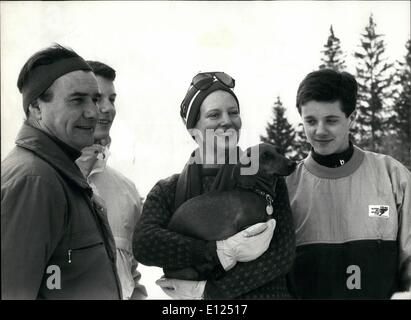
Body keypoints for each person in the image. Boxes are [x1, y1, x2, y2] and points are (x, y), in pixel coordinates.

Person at [133, 71, 295, 299]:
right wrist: (216, 251)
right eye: (213, 115)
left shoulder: (266, 180)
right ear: (192, 127)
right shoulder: (168, 190)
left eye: (233, 113)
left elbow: (281, 255)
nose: (227, 121)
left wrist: (209, 292)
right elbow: (146, 245)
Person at [1, 45, 122, 299]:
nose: (93, 111)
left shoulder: (56, 172)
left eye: (95, 98)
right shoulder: (35, 181)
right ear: (36, 107)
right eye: (77, 100)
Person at [286, 69, 411, 299]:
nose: (320, 130)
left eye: (331, 120)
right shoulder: (286, 187)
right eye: (310, 121)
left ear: (351, 118)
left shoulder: (393, 176)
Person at [75, 60, 147, 300]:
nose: (107, 108)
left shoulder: (127, 191)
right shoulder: (41, 181)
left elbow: (131, 277)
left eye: (112, 99)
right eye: (96, 99)